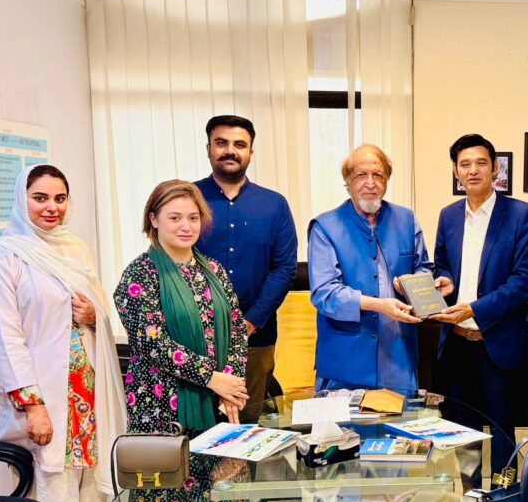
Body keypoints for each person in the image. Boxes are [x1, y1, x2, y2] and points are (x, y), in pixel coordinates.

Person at [0, 165, 127, 502]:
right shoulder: (3, 256)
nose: (52, 207)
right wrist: (33, 406)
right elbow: (6, 338)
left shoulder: (75, 249)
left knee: (93, 495)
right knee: (52, 496)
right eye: (40, 198)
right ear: (22, 199)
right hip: (45, 400)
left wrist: (94, 315)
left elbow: (100, 308)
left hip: (87, 395)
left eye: (60, 198)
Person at [432, 133, 528, 475]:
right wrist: (444, 282)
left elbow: (525, 280)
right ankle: (469, 498)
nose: (473, 170)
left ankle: (504, 501)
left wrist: (474, 309)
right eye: (465, 164)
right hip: (456, 347)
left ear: (495, 169)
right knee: (461, 435)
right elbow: (441, 264)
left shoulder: (522, 215)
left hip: (498, 346)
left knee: (502, 435)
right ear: (456, 171)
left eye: (481, 163)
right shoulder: (448, 216)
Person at [308, 144, 450, 393]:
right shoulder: (325, 227)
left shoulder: (406, 219)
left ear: (386, 181)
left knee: (401, 418)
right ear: (348, 181)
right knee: (345, 420)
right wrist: (378, 305)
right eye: (361, 175)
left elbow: (423, 267)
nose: (370, 183)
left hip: (399, 355)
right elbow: (324, 293)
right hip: (346, 358)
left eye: (378, 175)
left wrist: (415, 285)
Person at [114, 180, 249, 435]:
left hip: (216, 399)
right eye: (175, 218)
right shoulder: (139, 274)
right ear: (154, 220)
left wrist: (231, 385)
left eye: (193, 218)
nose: (186, 226)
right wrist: (212, 378)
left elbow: (237, 331)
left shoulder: (214, 269)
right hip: (161, 404)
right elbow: (153, 344)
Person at [195, 115, 297, 421]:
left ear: (251, 152)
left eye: (239, 144)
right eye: (221, 143)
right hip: (195, 339)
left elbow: (285, 268)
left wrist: (250, 322)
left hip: (256, 338)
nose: (230, 150)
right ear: (209, 149)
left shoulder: (274, 204)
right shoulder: (188, 200)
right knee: (199, 425)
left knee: (249, 423)